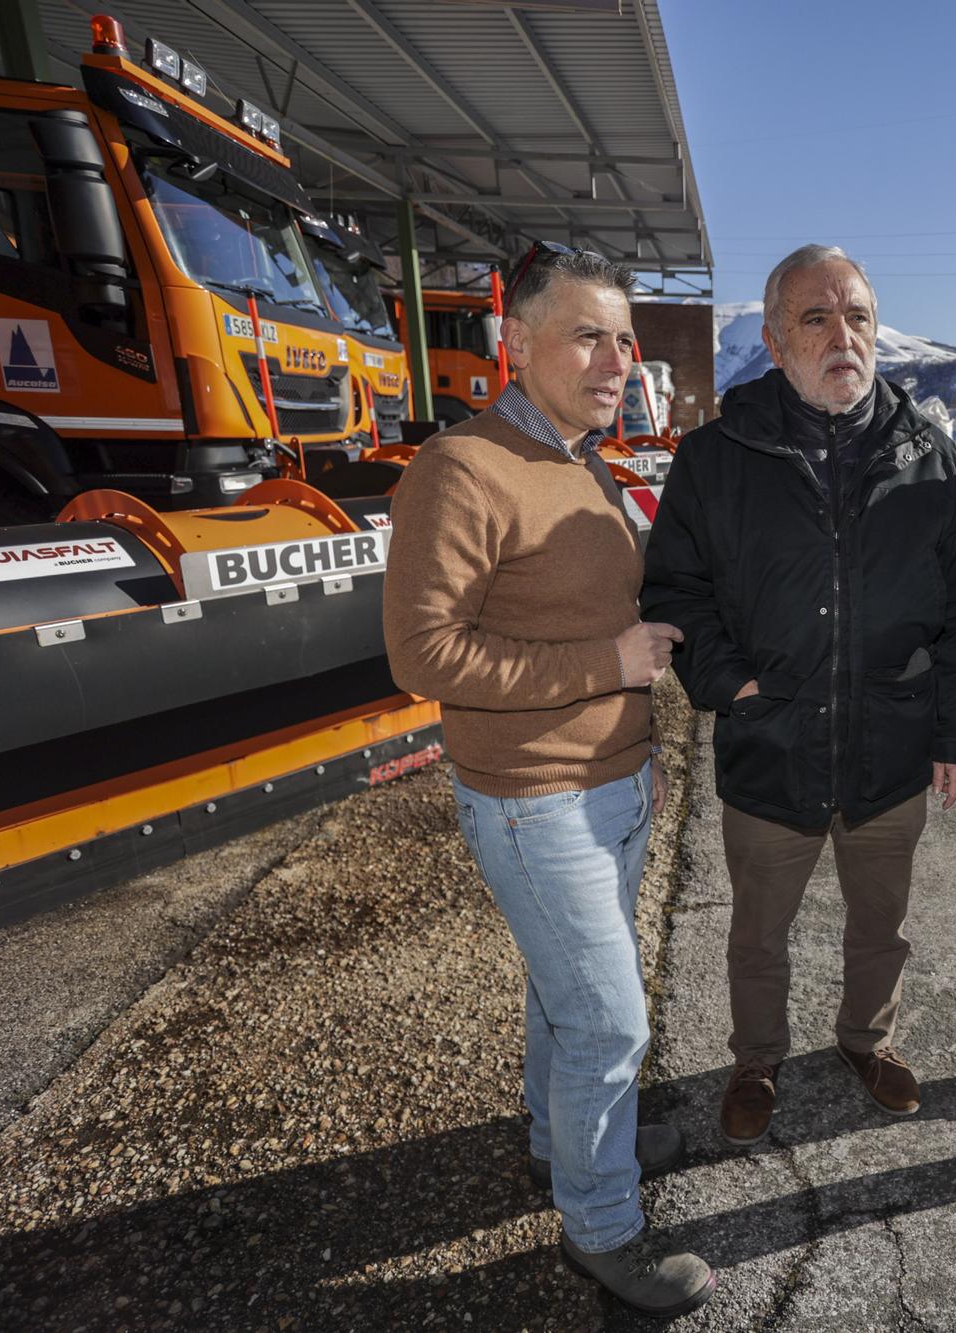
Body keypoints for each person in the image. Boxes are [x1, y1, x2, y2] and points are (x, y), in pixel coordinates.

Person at [383, 243, 714, 1319]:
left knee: (566, 994)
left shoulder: (579, 457)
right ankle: (601, 1230)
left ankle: (564, 1140)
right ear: (513, 345)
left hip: (609, 785)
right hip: (534, 801)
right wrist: (605, 671)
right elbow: (423, 655)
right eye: (586, 334)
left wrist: (637, 738)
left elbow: (589, 615)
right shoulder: (461, 467)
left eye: (621, 337)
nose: (615, 357)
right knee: (611, 1020)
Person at [641, 244, 956, 1146]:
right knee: (759, 932)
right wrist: (730, 683)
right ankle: (756, 1056)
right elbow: (676, 590)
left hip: (892, 747)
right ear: (773, 339)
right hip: (772, 741)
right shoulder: (715, 458)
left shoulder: (928, 457)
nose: (844, 336)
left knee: (884, 922)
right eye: (817, 318)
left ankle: (866, 1040)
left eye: (860, 317)